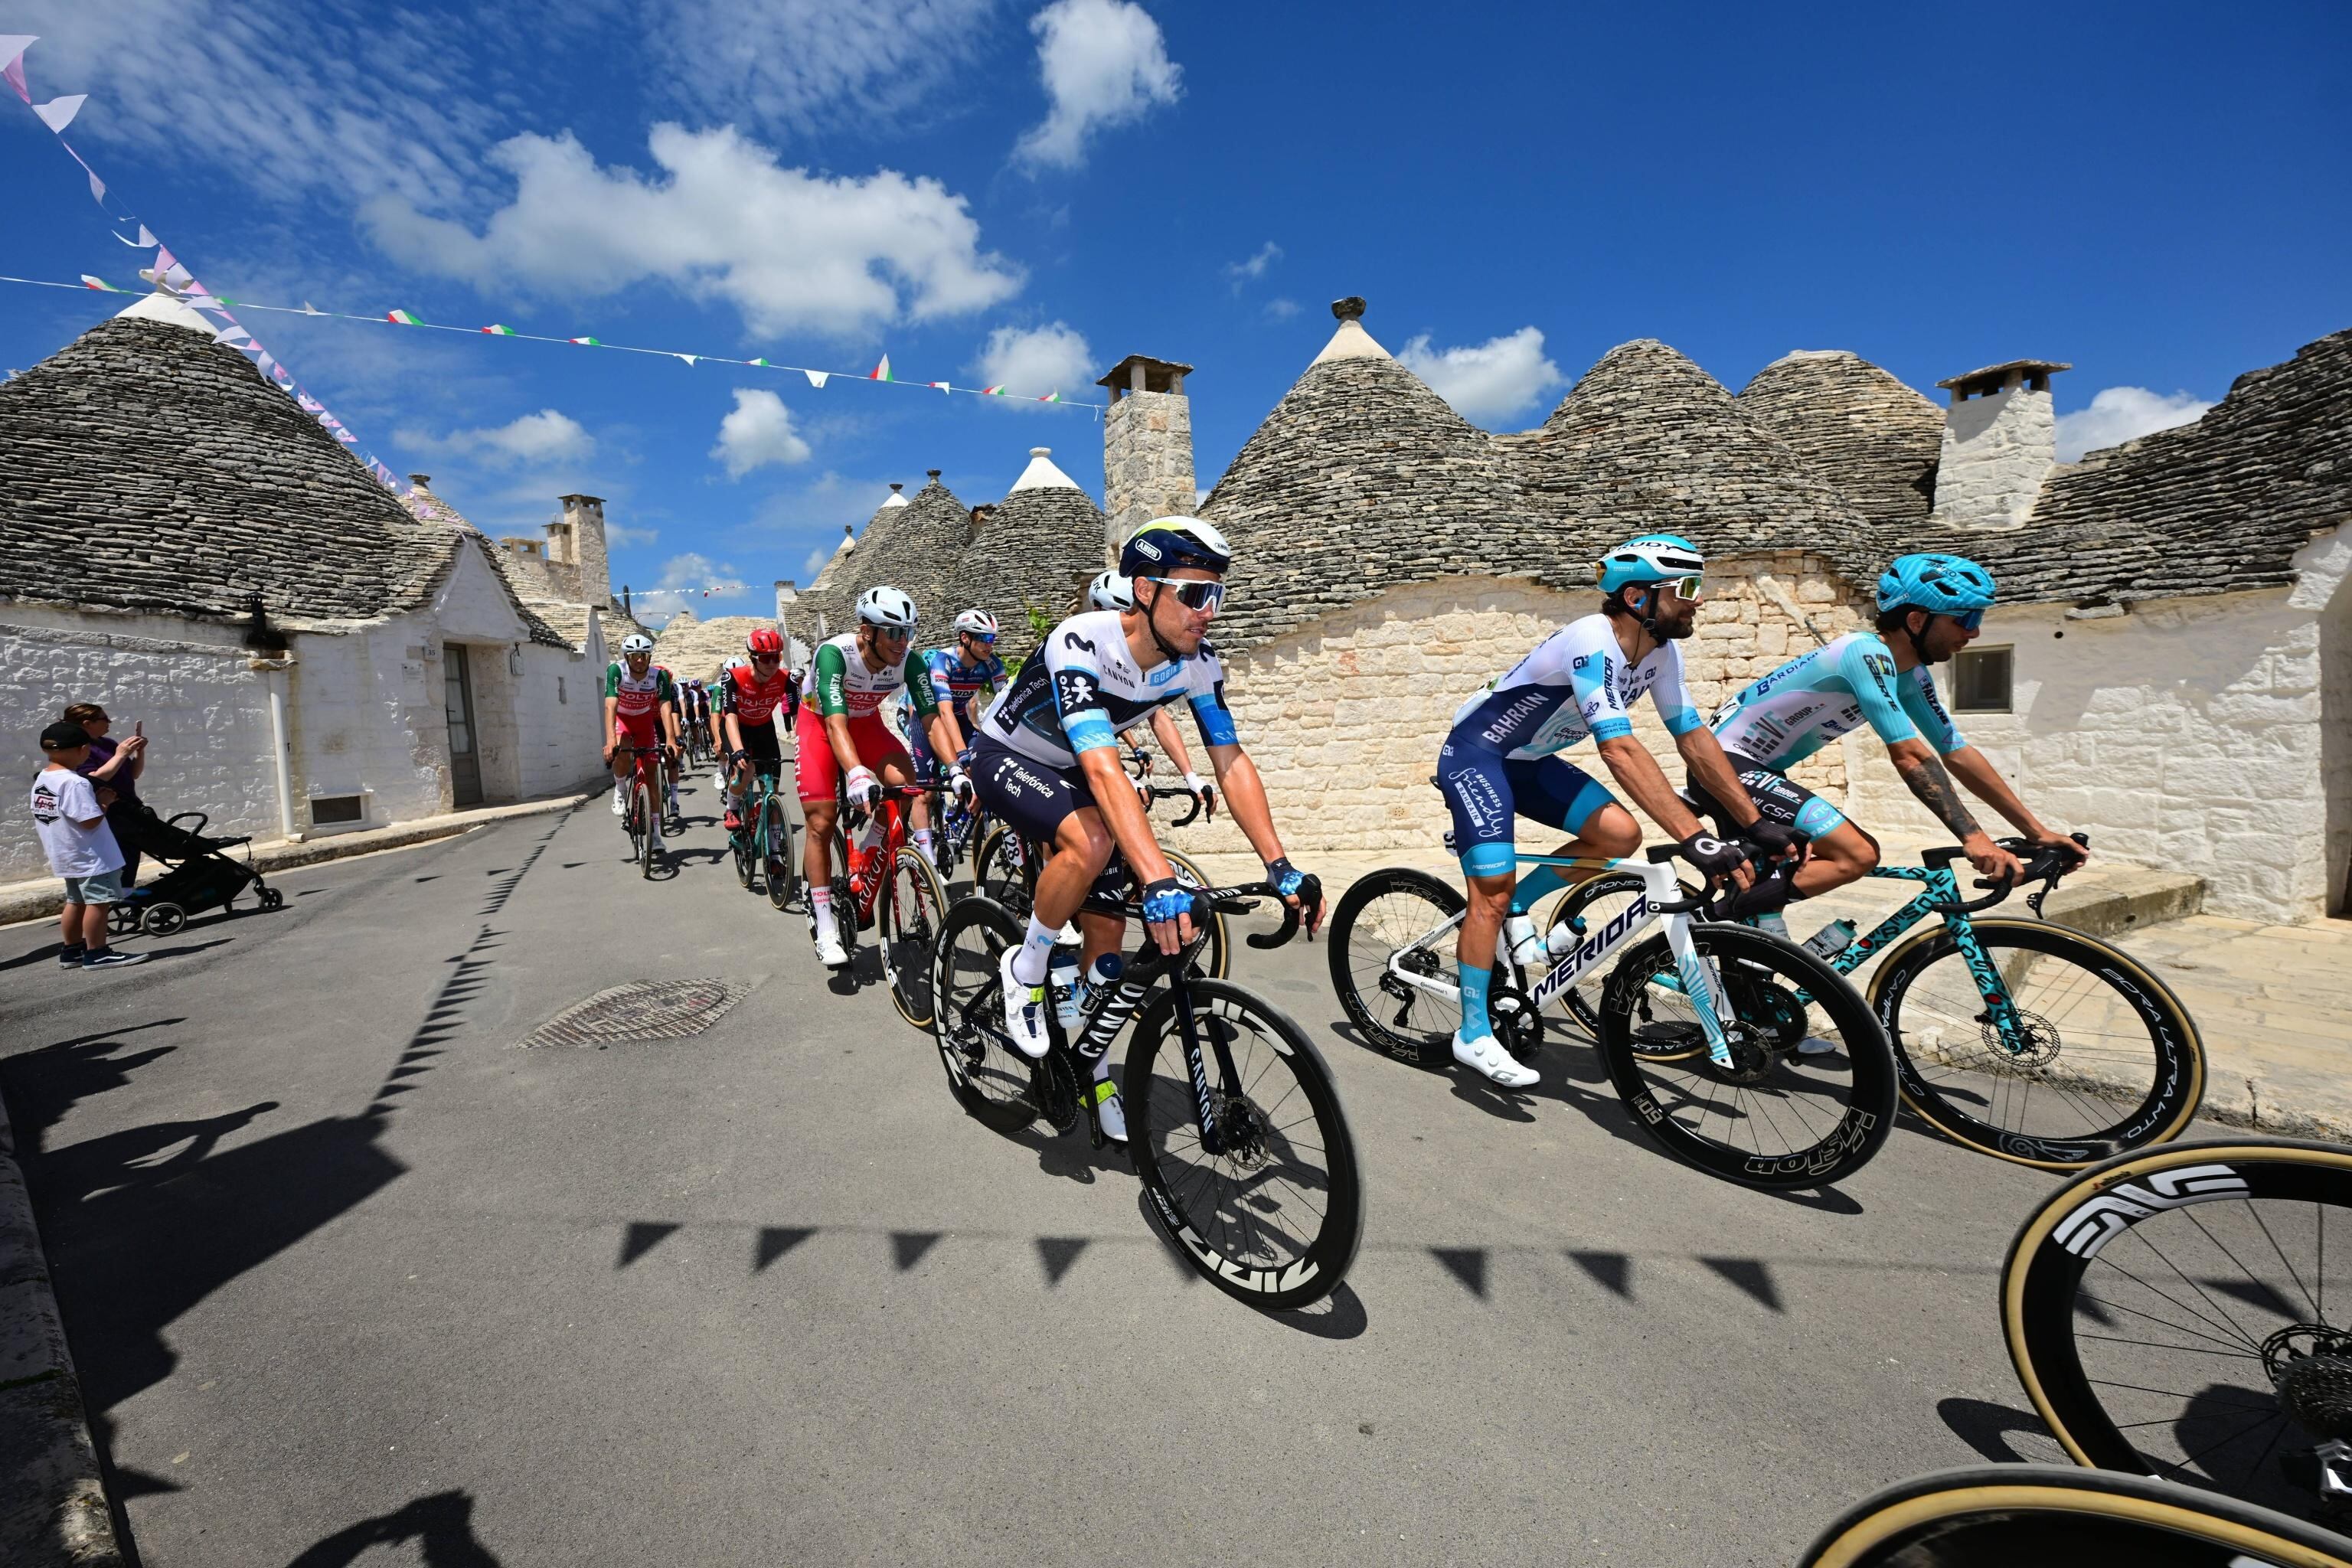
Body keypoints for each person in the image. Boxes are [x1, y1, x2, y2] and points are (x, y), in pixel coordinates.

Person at [968, 518, 1320, 1145]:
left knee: (1108, 945)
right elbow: (1103, 767)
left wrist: (1281, 865)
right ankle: (1026, 966)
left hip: (1073, 768)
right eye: (1194, 594)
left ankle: (1094, 1076)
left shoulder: (1198, 664)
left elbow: (1231, 762)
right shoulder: (1081, 641)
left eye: (1217, 595)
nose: (1208, 612)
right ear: (1145, 590)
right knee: (1094, 841)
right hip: (1008, 756)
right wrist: (1157, 878)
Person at [1434, 533, 1788, 1089]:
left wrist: (1754, 821)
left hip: (1529, 762)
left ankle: (1517, 906)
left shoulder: (1662, 652)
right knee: (1491, 892)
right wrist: (1695, 837)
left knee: (1620, 835)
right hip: (1478, 756)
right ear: (1636, 597)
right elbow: (1618, 747)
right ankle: (1474, 1032)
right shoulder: (1592, 640)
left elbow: (1693, 738)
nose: (1698, 599)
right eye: (1686, 588)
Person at [1702, 551, 2084, 929]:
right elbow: (1910, 756)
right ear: (1916, 620)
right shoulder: (1864, 653)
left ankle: (1736, 938)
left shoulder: (1910, 675)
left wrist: (2037, 832)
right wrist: (1974, 838)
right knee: (1858, 854)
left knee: (1769, 907)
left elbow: (1957, 752)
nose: (1974, 632)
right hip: (1725, 766)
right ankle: (1706, 922)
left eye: (1978, 619)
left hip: (1761, 771)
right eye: (1965, 619)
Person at [796, 587, 973, 969]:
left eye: (907, 632)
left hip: (866, 724)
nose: (902, 641)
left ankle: (872, 845)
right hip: (821, 724)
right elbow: (835, 723)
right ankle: (825, 925)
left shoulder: (909, 661)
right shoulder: (835, 654)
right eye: (893, 632)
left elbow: (932, 720)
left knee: (907, 786)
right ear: (866, 631)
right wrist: (856, 773)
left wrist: (955, 768)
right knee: (821, 822)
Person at [1088, 572, 1217, 820]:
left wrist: (1191, 777)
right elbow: (1091, 728)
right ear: (1097, 612)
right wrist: (1125, 776)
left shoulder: (1143, 658)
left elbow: (1157, 717)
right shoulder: (1089, 652)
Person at [31, 721, 148, 969]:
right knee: (98, 902)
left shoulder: (43, 778)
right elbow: (90, 821)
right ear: (83, 749)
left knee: (76, 902)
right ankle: (97, 952)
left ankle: (72, 950)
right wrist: (103, 802)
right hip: (92, 856)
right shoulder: (75, 783)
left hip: (67, 853)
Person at [905, 609, 1007, 784]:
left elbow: (1005, 702)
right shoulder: (943, 661)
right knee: (926, 793)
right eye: (984, 638)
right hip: (929, 719)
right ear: (965, 638)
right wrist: (961, 753)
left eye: (992, 639)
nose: (989, 645)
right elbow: (944, 711)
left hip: (959, 717)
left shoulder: (994, 665)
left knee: (980, 770)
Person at [62, 701, 151, 887]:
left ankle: (125, 891)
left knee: (130, 853)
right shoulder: (80, 749)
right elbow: (92, 779)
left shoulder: (108, 744)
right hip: (109, 811)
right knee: (117, 856)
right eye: (104, 719)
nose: (109, 722)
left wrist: (139, 752)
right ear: (87, 723)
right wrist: (120, 755)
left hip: (128, 807)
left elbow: (133, 774)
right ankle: (116, 893)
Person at [717, 630, 796, 831]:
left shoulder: (786, 678)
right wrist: (738, 751)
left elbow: (798, 717)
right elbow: (731, 716)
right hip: (738, 728)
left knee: (772, 790)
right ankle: (732, 808)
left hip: (764, 728)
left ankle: (774, 847)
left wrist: (803, 745)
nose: (773, 663)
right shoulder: (734, 677)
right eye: (766, 658)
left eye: (777, 657)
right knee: (746, 771)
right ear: (753, 658)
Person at [603, 633, 681, 825]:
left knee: (651, 776)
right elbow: (611, 705)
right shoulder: (616, 670)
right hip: (623, 718)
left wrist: (671, 740)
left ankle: (656, 831)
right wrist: (611, 741)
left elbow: (665, 708)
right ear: (626, 657)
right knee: (622, 750)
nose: (639, 660)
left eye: (644, 656)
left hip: (644, 720)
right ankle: (620, 788)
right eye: (635, 656)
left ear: (650, 657)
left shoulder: (659, 676)